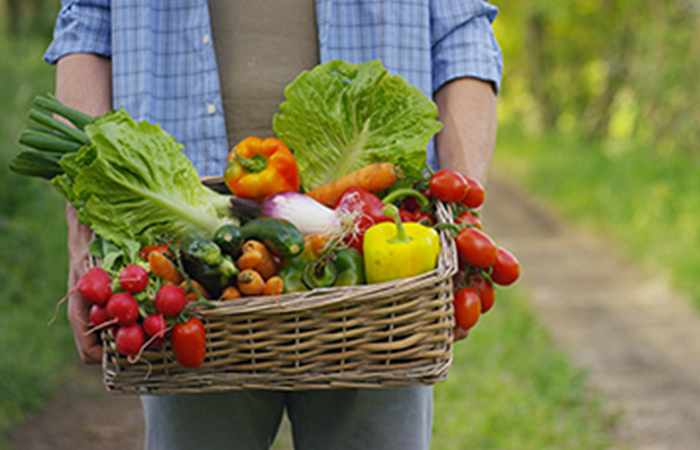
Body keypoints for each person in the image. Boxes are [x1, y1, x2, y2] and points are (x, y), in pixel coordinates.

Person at [45, 1, 502, 449]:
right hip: (189, 264)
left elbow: (462, 32)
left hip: (377, 252)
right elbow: (88, 26)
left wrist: (459, 223)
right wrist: (83, 236)